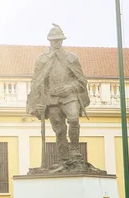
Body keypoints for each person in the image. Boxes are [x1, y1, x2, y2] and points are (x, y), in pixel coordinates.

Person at [27, 24, 90, 164]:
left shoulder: (71, 58)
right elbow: (36, 82)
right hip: (52, 98)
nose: (57, 42)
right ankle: (63, 156)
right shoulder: (42, 59)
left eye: (59, 39)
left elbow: (81, 81)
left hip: (70, 96)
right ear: (49, 41)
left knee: (73, 119)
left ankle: (74, 150)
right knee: (59, 129)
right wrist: (38, 103)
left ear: (63, 40)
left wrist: (70, 87)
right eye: (54, 40)